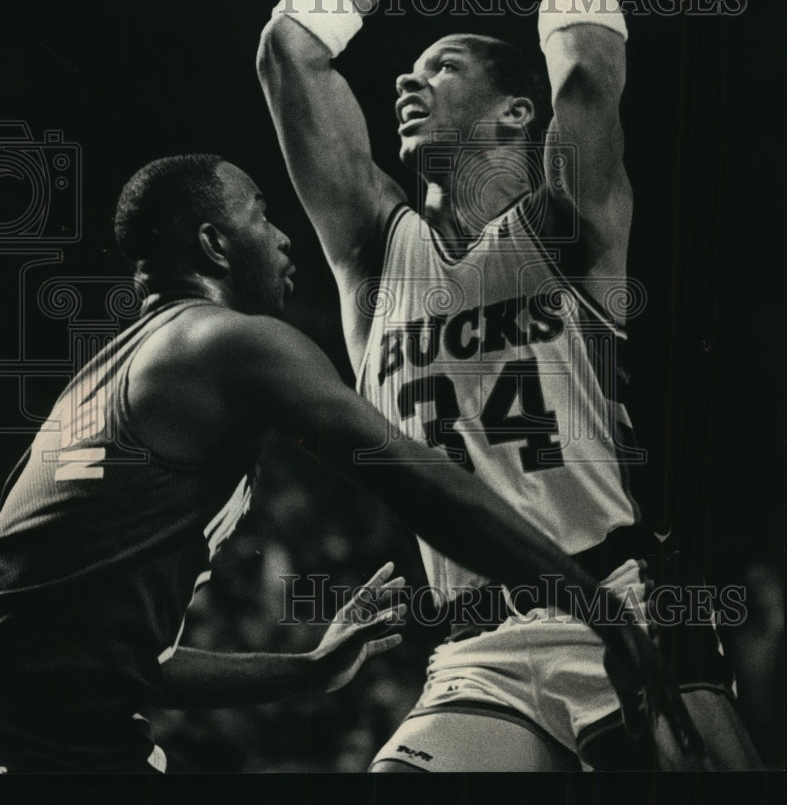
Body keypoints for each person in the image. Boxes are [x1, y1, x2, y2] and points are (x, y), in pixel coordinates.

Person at [258, 0, 760, 771]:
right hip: (472, 647)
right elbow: (290, 49)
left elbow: (586, 80)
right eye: (409, 68)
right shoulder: (373, 252)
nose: (408, 79)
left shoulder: (565, 225)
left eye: (441, 65)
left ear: (512, 111)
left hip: (617, 603)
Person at [0, 153, 690, 775]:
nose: (282, 237)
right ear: (213, 244)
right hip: (53, 752)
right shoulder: (229, 344)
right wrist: (593, 599)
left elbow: (115, 661)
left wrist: (308, 670)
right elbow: (413, 480)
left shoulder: (93, 384)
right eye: (261, 216)